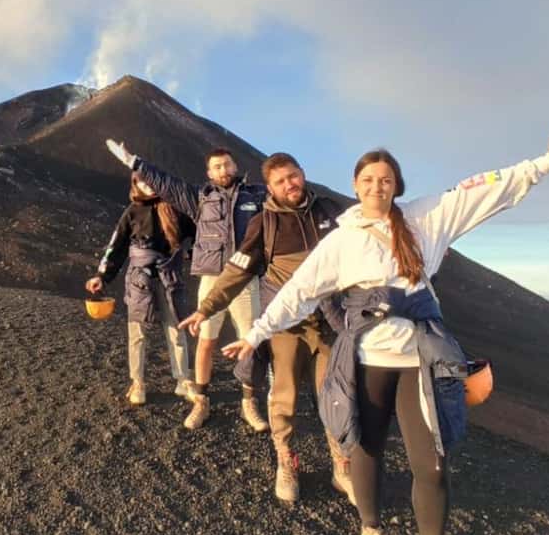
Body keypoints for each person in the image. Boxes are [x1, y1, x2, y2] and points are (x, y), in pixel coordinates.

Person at [221, 122, 549, 535]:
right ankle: (372, 533)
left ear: (397, 185)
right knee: (365, 452)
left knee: (430, 463)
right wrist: (256, 333)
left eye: (385, 179)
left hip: (419, 364)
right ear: (354, 186)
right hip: (368, 363)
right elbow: (299, 290)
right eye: (367, 180)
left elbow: (478, 192)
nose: (376, 187)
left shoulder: (425, 219)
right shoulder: (342, 240)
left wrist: (541, 165)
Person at [178, 152, 356, 505]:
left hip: (331, 322)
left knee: (335, 396)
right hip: (288, 324)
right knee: (284, 396)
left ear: (303, 174)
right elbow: (237, 270)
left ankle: (341, 465)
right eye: (280, 181)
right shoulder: (265, 224)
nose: (289, 184)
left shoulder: (329, 212)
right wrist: (206, 308)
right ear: (270, 189)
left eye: (293, 176)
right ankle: (286, 462)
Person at [106, 139, 267, 431]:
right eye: (216, 167)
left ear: (236, 166)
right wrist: (135, 163)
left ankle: (249, 401)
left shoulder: (257, 196)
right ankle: (202, 401)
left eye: (227, 164)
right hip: (212, 278)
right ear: (208, 172)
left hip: (245, 277)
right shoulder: (199, 198)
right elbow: (167, 184)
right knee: (206, 339)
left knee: (249, 341)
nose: (223, 170)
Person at [86, 172, 196, 405]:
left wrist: (191, 254)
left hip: (170, 278)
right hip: (139, 281)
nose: (148, 186)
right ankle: (138, 382)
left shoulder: (176, 210)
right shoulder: (132, 212)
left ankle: (183, 380)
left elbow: (198, 235)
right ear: (136, 185)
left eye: (151, 180)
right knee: (137, 333)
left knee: (176, 328)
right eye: (142, 182)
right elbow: (116, 247)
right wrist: (102, 276)